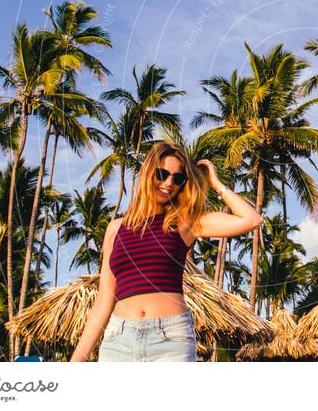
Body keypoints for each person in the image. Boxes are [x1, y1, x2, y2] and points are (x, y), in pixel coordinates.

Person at [70, 142, 262, 362]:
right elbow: (104, 300)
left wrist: (215, 183)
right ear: (148, 173)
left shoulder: (186, 222)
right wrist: (76, 362)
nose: (168, 183)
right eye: (161, 174)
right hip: (118, 339)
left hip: (170, 338)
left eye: (177, 178)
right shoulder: (115, 229)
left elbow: (252, 220)